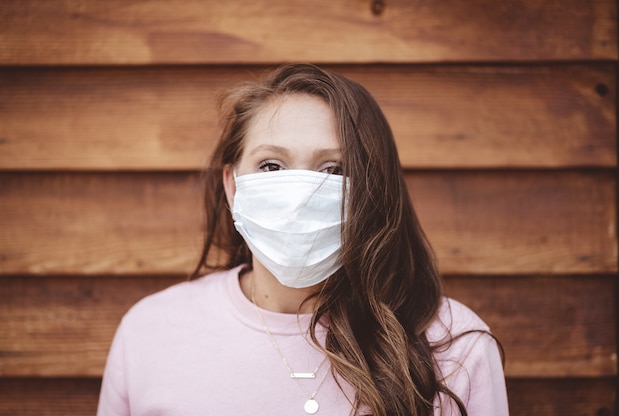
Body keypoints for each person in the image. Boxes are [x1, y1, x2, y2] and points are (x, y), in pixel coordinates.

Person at [98, 63, 508, 416]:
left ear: (372, 189)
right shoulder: (150, 332)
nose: (300, 194)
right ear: (233, 186)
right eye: (271, 165)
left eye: (332, 170)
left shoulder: (453, 349)